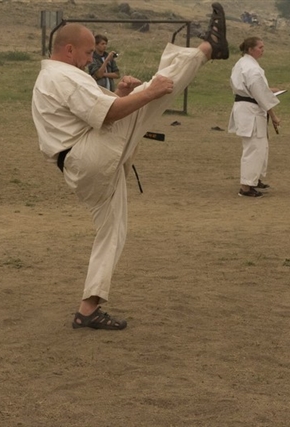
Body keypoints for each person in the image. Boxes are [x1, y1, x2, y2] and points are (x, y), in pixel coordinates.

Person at [32, 3, 229, 330]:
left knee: (113, 231)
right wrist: (146, 94)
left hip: (79, 165)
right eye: (87, 52)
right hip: (87, 155)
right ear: (68, 50)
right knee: (151, 92)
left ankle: (88, 309)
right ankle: (208, 48)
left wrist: (123, 93)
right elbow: (109, 114)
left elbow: (98, 109)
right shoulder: (62, 75)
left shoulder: (55, 76)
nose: (91, 59)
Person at [228, 36, 281, 198]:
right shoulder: (251, 68)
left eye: (263, 47)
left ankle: (254, 179)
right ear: (250, 50)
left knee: (260, 146)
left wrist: (268, 90)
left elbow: (254, 89)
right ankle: (245, 187)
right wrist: (273, 115)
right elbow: (259, 94)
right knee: (254, 148)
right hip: (251, 111)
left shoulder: (242, 64)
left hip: (247, 108)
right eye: (260, 47)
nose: (262, 50)